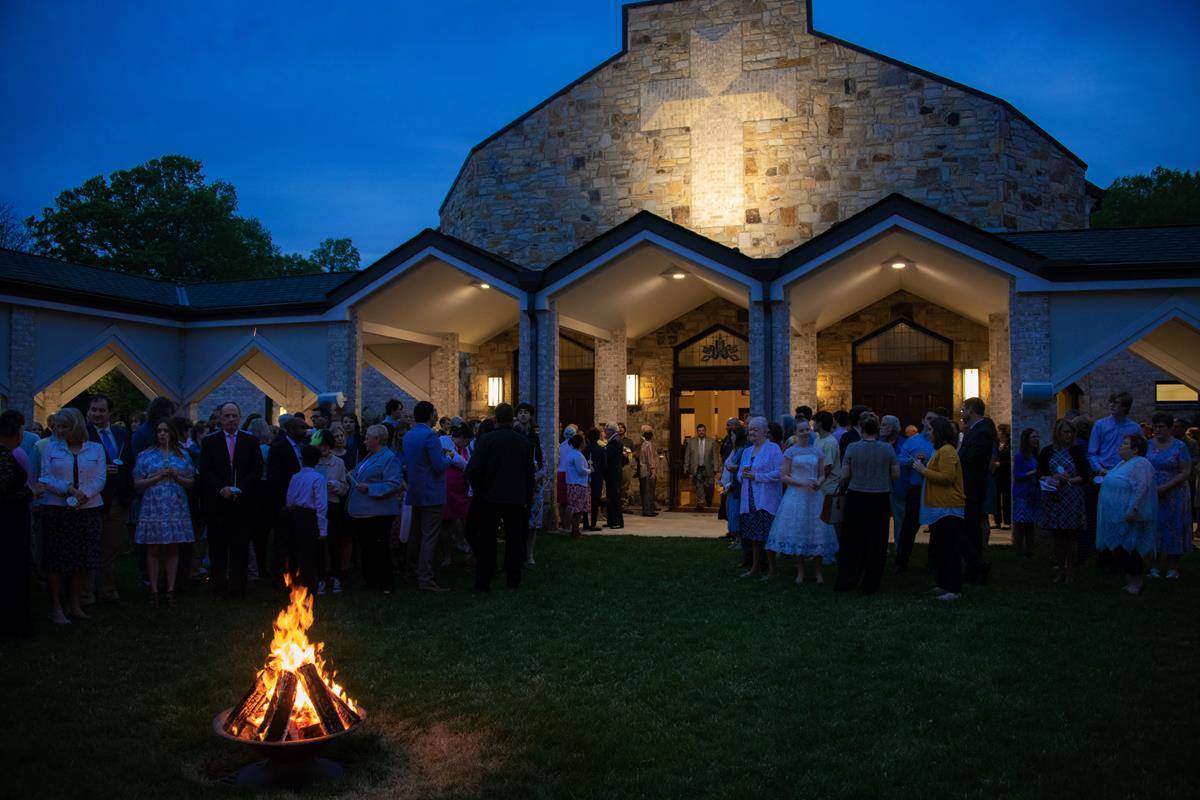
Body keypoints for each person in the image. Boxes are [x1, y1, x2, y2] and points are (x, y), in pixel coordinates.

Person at [39, 408, 106, 625]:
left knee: (81, 557)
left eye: (65, 427)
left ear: (76, 427)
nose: (60, 431)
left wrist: (84, 494)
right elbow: (45, 477)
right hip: (57, 509)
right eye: (57, 427)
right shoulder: (50, 448)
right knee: (56, 558)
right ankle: (56, 606)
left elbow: (100, 477)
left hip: (87, 508)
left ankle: (75, 603)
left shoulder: (95, 449)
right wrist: (68, 489)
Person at [466, 403, 535, 590]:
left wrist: (480, 491)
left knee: (487, 540)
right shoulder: (523, 442)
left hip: (490, 498)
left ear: (495, 419)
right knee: (515, 539)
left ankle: (484, 581)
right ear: (512, 419)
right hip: (516, 498)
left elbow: (473, 470)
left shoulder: (486, 440)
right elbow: (529, 474)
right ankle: (513, 579)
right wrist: (527, 497)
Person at [198, 402, 263, 599]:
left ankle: (237, 588)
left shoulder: (250, 441)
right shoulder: (210, 442)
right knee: (217, 548)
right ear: (220, 418)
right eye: (227, 416)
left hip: (242, 503)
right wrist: (221, 489)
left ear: (240, 417)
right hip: (218, 504)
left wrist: (240, 488)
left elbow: (256, 469)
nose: (231, 419)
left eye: (234, 416)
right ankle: (219, 587)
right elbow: (205, 470)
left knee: (240, 547)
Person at [131, 418, 195, 606]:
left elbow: (191, 482)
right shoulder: (146, 455)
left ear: (172, 433)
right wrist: (157, 477)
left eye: (166, 430)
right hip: (153, 507)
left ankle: (170, 589)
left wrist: (177, 476)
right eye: (159, 431)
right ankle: (154, 589)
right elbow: (137, 484)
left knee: (173, 547)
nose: (162, 434)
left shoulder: (183, 455)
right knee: (153, 547)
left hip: (175, 506)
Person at [766, 416, 835, 584]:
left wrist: (819, 482)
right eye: (801, 430)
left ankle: (818, 572)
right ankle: (800, 572)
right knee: (798, 531)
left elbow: (821, 474)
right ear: (796, 433)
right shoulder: (790, 452)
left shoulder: (817, 451)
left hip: (815, 496)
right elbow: (784, 475)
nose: (805, 432)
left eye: (807, 429)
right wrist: (801, 483)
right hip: (796, 495)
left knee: (817, 532)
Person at [836, 413, 900, 594]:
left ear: (862, 429)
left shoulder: (852, 447)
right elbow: (896, 474)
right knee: (877, 540)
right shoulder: (887, 449)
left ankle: (849, 578)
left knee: (853, 539)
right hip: (880, 496)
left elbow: (845, 474)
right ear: (877, 429)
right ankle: (871, 582)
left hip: (857, 495)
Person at [911, 416, 967, 601]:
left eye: (931, 430)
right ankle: (943, 584)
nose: (928, 433)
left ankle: (954, 588)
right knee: (941, 549)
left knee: (950, 550)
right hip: (939, 506)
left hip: (948, 507)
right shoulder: (940, 450)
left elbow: (947, 478)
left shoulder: (948, 451)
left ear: (939, 432)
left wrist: (923, 470)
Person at [1096, 434, 1157, 595]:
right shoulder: (1123, 463)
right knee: (1122, 549)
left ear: (1135, 450)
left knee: (1131, 549)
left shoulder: (1141, 464)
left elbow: (1142, 487)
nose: (1120, 446)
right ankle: (1131, 580)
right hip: (1117, 515)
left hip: (1130, 515)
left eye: (1125, 444)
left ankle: (1136, 583)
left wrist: (1133, 509)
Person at [402, 401, 453, 593]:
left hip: (415, 489)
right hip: (431, 492)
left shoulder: (409, 435)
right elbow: (439, 466)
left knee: (415, 535)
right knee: (429, 536)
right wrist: (449, 457)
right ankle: (426, 578)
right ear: (430, 415)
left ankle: (411, 570)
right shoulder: (430, 436)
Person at [347, 424, 403, 592]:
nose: (364, 441)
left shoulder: (388, 458)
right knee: (367, 548)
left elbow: (394, 483)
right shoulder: (369, 456)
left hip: (379, 512)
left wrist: (370, 488)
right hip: (363, 512)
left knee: (380, 548)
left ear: (377, 439)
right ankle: (371, 580)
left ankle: (386, 583)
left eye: (367, 438)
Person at [86, 393, 130, 603]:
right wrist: (100, 469)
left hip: (117, 499)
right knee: (89, 545)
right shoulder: (82, 434)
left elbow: (129, 462)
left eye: (101, 410)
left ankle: (107, 588)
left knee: (111, 547)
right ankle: (86, 591)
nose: (97, 414)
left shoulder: (121, 434)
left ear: (109, 413)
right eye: (93, 410)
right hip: (92, 498)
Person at [727, 416, 783, 579]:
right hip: (749, 499)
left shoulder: (773, 449)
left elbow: (779, 472)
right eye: (750, 429)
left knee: (767, 535)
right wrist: (743, 475)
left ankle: (772, 570)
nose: (751, 432)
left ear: (765, 432)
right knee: (754, 536)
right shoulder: (747, 451)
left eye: (755, 429)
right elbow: (740, 474)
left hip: (766, 499)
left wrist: (756, 476)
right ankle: (755, 567)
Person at [1038, 418, 1092, 584]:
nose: (1068, 435)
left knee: (1071, 535)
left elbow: (1086, 475)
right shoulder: (1047, 451)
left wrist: (1069, 479)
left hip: (1072, 496)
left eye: (1071, 432)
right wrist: (1051, 478)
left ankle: (1070, 571)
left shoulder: (1077, 451)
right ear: (1058, 433)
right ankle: (1060, 569)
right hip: (1054, 496)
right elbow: (1040, 473)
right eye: (1065, 432)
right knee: (1058, 536)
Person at [1145, 413, 1192, 579]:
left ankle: (1173, 567)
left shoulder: (1179, 446)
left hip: (1175, 493)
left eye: (1161, 427)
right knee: (1154, 527)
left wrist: (1166, 487)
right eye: (1155, 426)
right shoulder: (1148, 445)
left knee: (1174, 527)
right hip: (1153, 492)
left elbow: (1186, 471)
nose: (1157, 430)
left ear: (1170, 428)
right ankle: (1154, 566)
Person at [0, 411, 35, 637]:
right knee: (9, 571)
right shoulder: (4, 457)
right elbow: (4, 495)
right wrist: (30, 493)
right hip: (8, 525)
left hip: (12, 522)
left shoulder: (8, 455)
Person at [958, 397, 996, 583]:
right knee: (969, 528)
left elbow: (971, 458)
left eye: (963, 409)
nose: (961, 412)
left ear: (972, 410)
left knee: (969, 528)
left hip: (972, 486)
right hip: (969, 485)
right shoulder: (974, 430)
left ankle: (976, 565)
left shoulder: (982, 432)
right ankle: (974, 567)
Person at [267, 415, 308, 585]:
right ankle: (279, 577)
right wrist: (282, 503)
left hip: (301, 503)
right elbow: (275, 478)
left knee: (296, 542)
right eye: (302, 428)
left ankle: (295, 574)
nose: (305, 431)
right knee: (282, 541)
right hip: (284, 503)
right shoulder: (279, 447)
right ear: (291, 429)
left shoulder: (303, 447)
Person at [894, 410, 936, 572]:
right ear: (923, 421)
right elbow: (900, 459)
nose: (931, 422)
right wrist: (912, 461)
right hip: (916, 488)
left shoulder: (940, 442)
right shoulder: (913, 441)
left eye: (935, 420)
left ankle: (933, 562)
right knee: (909, 526)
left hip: (935, 488)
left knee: (936, 526)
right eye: (929, 419)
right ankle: (901, 562)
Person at [284, 444, 327, 593]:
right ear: (318, 460)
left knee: (297, 550)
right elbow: (321, 505)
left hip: (296, 516)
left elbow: (289, 500)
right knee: (311, 552)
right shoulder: (318, 478)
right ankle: (311, 584)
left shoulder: (295, 477)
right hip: (310, 518)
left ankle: (296, 582)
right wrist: (323, 529)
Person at [313, 430, 349, 594]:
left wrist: (337, 486)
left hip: (333, 505)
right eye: (320, 446)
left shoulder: (338, 463)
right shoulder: (312, 462)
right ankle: (321, 577)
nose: (323, 449)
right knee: (319, 544)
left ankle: (336, 576)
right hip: (316, 507)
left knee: (334, 543)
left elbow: (345, 487)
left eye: (326, 446)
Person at [1087, 392, 1142, 476]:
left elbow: (1140, 453)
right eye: (1111, 402)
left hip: (1126, 472)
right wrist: (1099, 469)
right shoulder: (1100, 425)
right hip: (1103, 471)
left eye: (1116, 402)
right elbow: (1092, 452)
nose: (1111, 405)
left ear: (1125, 407)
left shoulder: (1135, 428)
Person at [441, 423, 473, 567]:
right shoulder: (445, 443)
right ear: (462, 437)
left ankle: (464, 546)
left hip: (461, 490)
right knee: (447, 522)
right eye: (467, 441)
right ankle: (448, 553)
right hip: (448, 489)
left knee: (462, 519)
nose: (467, 444)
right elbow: (459, 462)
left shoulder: (464, 449)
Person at [880, 414, 907, 555]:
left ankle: (899, 548)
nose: (881, 427)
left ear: (894, 428)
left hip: (897, 485)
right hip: (881, 485)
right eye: (882, 424)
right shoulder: (878, 443)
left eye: (885, 424)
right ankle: (881, 547)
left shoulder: (904, 443)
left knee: (899, 518)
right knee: (880, 518)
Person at [1011, 428, 1041, 557]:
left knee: (1030, 524)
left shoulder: (1036, 456)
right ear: (1026, 439)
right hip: (1022, 494)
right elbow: (1017, 475)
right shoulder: (1020, 456)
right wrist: (1032, 473)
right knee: (1020, 523)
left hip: (1033, 493)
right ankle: (1018, 550)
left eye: (1037, 437)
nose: (1036, 439)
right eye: (1033, 437)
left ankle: (1029, 551)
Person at [721, 423, 749, 548]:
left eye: (732, 436)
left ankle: (740, 539)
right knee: (731, 511)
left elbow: (742, 467)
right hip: (731, 484)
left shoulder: (742, 450)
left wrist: (734, 468)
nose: (731, 438)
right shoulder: (735, 449)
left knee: (737, 512)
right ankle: (736, 538)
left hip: (737, 484)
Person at [684, 423, 720, 510]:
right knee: (698, 486)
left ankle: (709, 500)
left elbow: (715, 455)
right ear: (697, 431)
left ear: (705, 431)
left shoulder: (711, 441)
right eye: (699, 430)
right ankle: (700, 502)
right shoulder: (691, 442)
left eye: (703, 430)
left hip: (709, 467)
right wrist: (686, 467)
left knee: (709, 486)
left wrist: (716, 468)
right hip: (697, 468)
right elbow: (687, 455)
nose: (701, 432)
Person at [556, 424, 579, 531]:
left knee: (562, 502)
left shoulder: (560, 446)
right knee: (570, 502)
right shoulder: (574, 447)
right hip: (570, 475)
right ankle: (568, 525)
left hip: (560, 473)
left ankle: (562, 524)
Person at [603, 423, 625, 529]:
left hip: (613, 473)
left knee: (614, 497)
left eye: (605, 430)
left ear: (610, 431)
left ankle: (617, 521)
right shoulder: (614, 439)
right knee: (610, 497)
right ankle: (611, 520)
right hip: (612, 473)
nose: (604, 432)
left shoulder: (615, 441)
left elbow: (607, 454)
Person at [585, 428, 606, 532]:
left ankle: (585, 522)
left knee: (585, 499)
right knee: (595, 500)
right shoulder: (601, 449)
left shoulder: (585, 449)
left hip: (586, 477)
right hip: (597, 477)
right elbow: (604, 464)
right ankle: (593, 523)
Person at [994, 423, 1012, 530]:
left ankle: (1007, 521)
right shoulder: (997, 444)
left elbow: (1010, 460)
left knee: (1006, 499)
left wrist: (1000, 464)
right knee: (996, 499)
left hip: (1006, 475)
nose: (997, 433)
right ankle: (997, 521)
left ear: (1004, 433)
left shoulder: (1010, 445)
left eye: (999, 431)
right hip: (997, 475)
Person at [639, 427, 658, 516]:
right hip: (647, 470)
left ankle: (648, 509)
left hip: (643, 470)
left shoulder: (643, 444)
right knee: (648, 491)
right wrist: (653, 470)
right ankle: (647, 510)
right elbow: (649, 458)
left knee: (646, 491)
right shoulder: (648, 445)